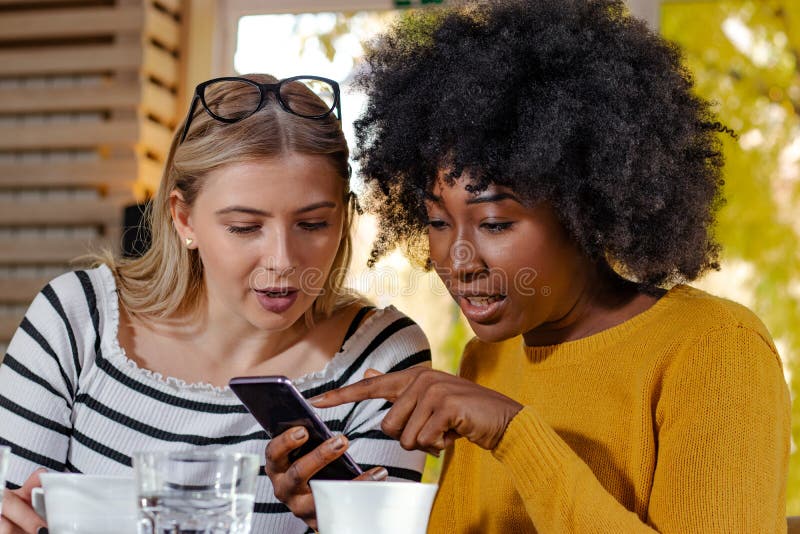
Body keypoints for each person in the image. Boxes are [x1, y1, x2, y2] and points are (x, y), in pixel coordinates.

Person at [305, 1, 792, 532]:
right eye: (438, 221)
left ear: (583, 209)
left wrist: (513, 433)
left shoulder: (714, 346)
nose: (457, 261)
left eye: (494, 223)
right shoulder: (487, 358)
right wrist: (339, 514)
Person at [0, 74, 429, 534]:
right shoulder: (77, 319)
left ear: (343, 219)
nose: (283, 261)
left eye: (312, 224)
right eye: (245, 227)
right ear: (184, 218)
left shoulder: (383, 359)